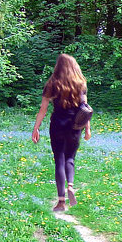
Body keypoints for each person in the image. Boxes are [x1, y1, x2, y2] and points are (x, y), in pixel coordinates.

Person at [32, 53, 91, 212]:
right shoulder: (80, 84)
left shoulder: (52, 84)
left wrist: (36, 128)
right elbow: (85, 109)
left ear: (58, 67)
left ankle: (61, 202)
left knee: (59, 159)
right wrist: (87, 129)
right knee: (70, 158)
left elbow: (43, 109)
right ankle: (70, 186)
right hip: (75, 125)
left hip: (58, 124)